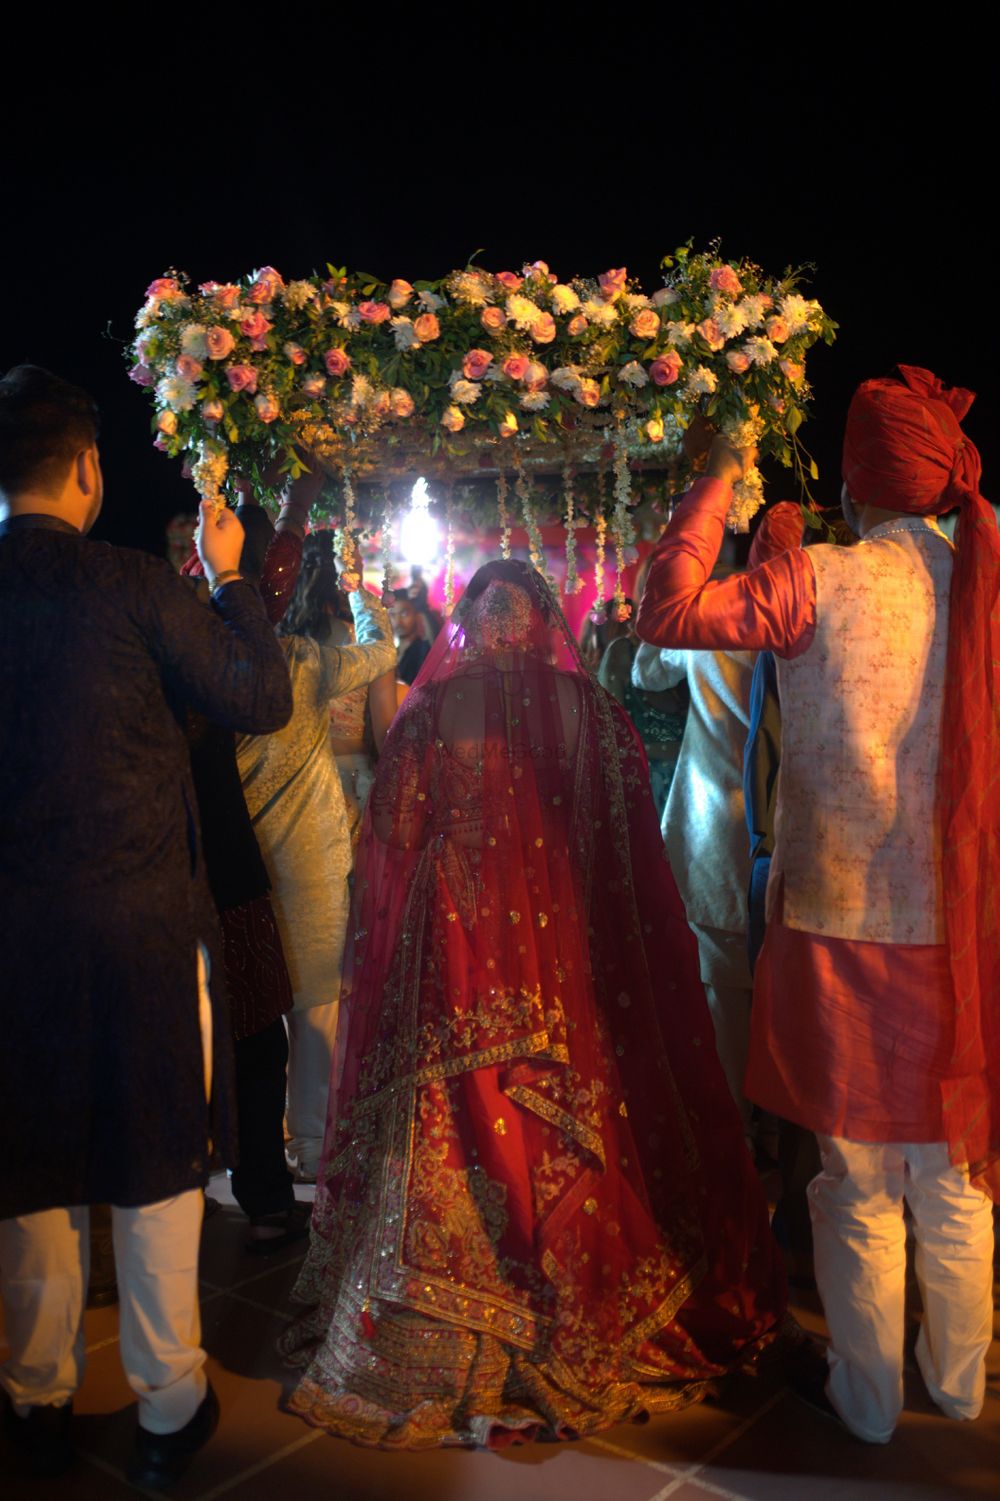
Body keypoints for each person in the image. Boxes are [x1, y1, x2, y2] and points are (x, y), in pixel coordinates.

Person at [279, 558, 785, 1449]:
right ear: (543, 619)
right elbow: (624, 847)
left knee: (445, 1117)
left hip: (455, 946)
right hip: (558, 947)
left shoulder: (434, 711)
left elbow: (393, 831)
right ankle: (559, 1290)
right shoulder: (588, 712)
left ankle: (436, 1302)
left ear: (475, 621)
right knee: (562, 1116)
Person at [635, 365, 999, 1445]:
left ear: (857, 476)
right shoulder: (986, 572)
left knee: (856, 1175)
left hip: (842, 921)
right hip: (966, 930)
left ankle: (868, 1399)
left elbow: (665, 611)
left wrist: (714, 485)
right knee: (955, 1168)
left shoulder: (822, 581)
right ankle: (965, 1384)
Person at [0, 365, 292, 1485]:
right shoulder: (132, 586)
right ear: (87, 469)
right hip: (141, 932)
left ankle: (34, 1398)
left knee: (30, 1165)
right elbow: (258, 696)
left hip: (16, 938)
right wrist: (229, 581)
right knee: (157, 1152)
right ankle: (168, 1401)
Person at [237, 542, 396, 1183]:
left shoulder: (223, 658)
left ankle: (256, 1147)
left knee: (255, 1006)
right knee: (317, 1003)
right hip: (316, 839)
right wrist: (368, 594)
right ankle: (308, 1140)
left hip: (240, 843)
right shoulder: (306, 660)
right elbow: (382, 658)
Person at [390, 589, 431, 685]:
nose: (397, 622)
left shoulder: (424, 650)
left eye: (404, 614)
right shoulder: (393, 652)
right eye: (392, 615)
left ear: (416, 615)